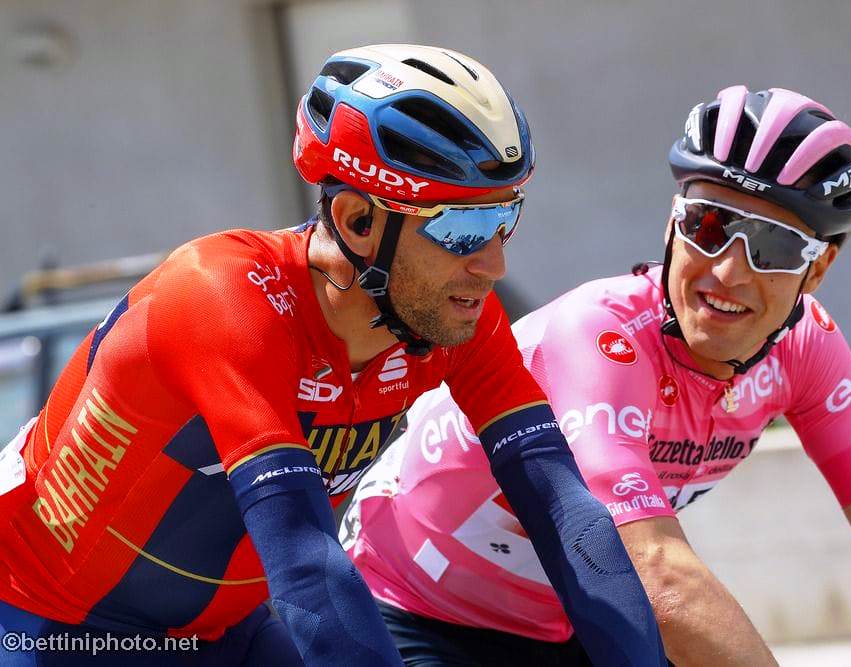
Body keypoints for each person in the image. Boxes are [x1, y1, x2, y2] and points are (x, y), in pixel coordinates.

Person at [0, 45, 667, 666]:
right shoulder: (222, 299)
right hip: (48, 620)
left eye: (503, 220)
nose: (493, 265)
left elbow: (566, 513)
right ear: (357, 221)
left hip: (225, 632)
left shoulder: (451, 312)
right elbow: (307, 558)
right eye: (463, 229)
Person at [342, 85, 851, 666]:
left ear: (817, 270)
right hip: (410, 602)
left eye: (772, 247)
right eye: (708, 226)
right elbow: (656, 570)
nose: (727, 271)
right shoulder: (598, 338)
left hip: (568, 618)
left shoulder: (807, 349)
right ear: (672, 224)